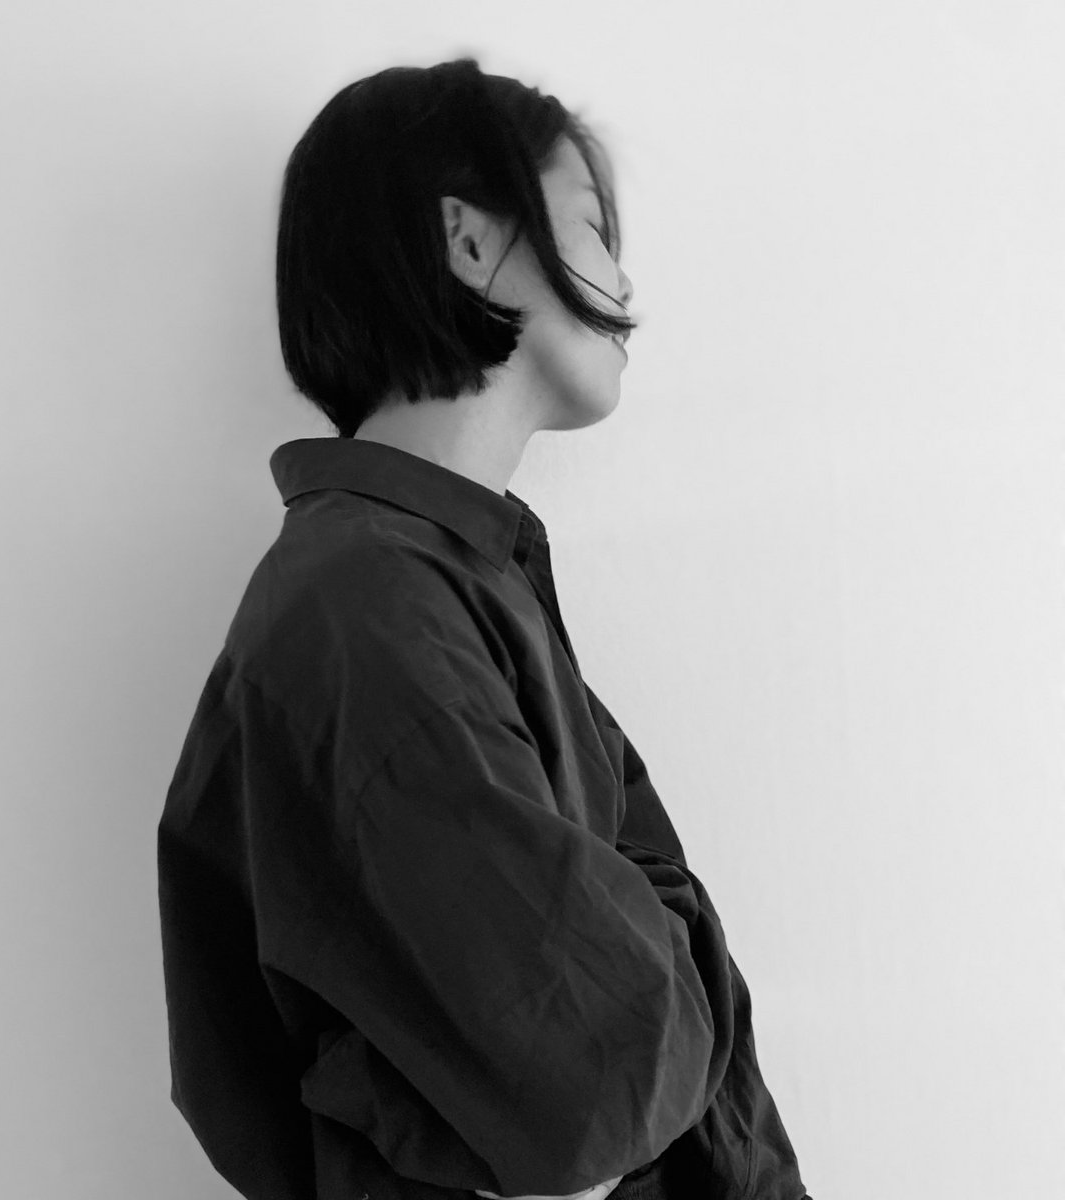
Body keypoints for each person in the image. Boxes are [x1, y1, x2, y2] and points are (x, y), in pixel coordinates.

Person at [157, 55, 813, 1200]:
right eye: (593, 225)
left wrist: (645, 921)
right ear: (469, 239)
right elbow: (602, 1078)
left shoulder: (430, 580)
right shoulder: (366, 602)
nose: (624, 280)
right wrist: (666, 910)